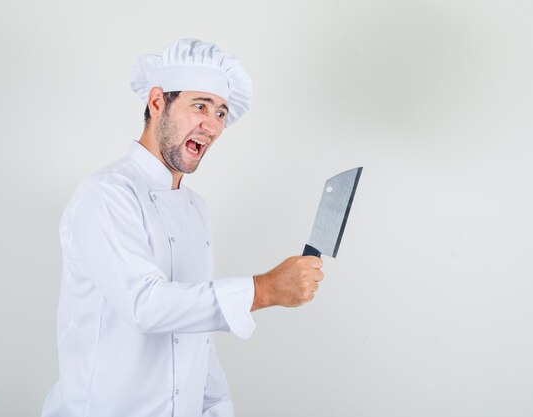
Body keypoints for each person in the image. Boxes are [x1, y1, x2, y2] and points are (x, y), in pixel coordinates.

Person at [42, 38, 324, 417]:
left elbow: (193, 329)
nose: (211, 125)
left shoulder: (195, 208)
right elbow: (146, 306)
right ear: (157, 102)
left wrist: (216, 406)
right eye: (200, 106)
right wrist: (264, 289)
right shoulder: (106, 195)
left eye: (221, 113)